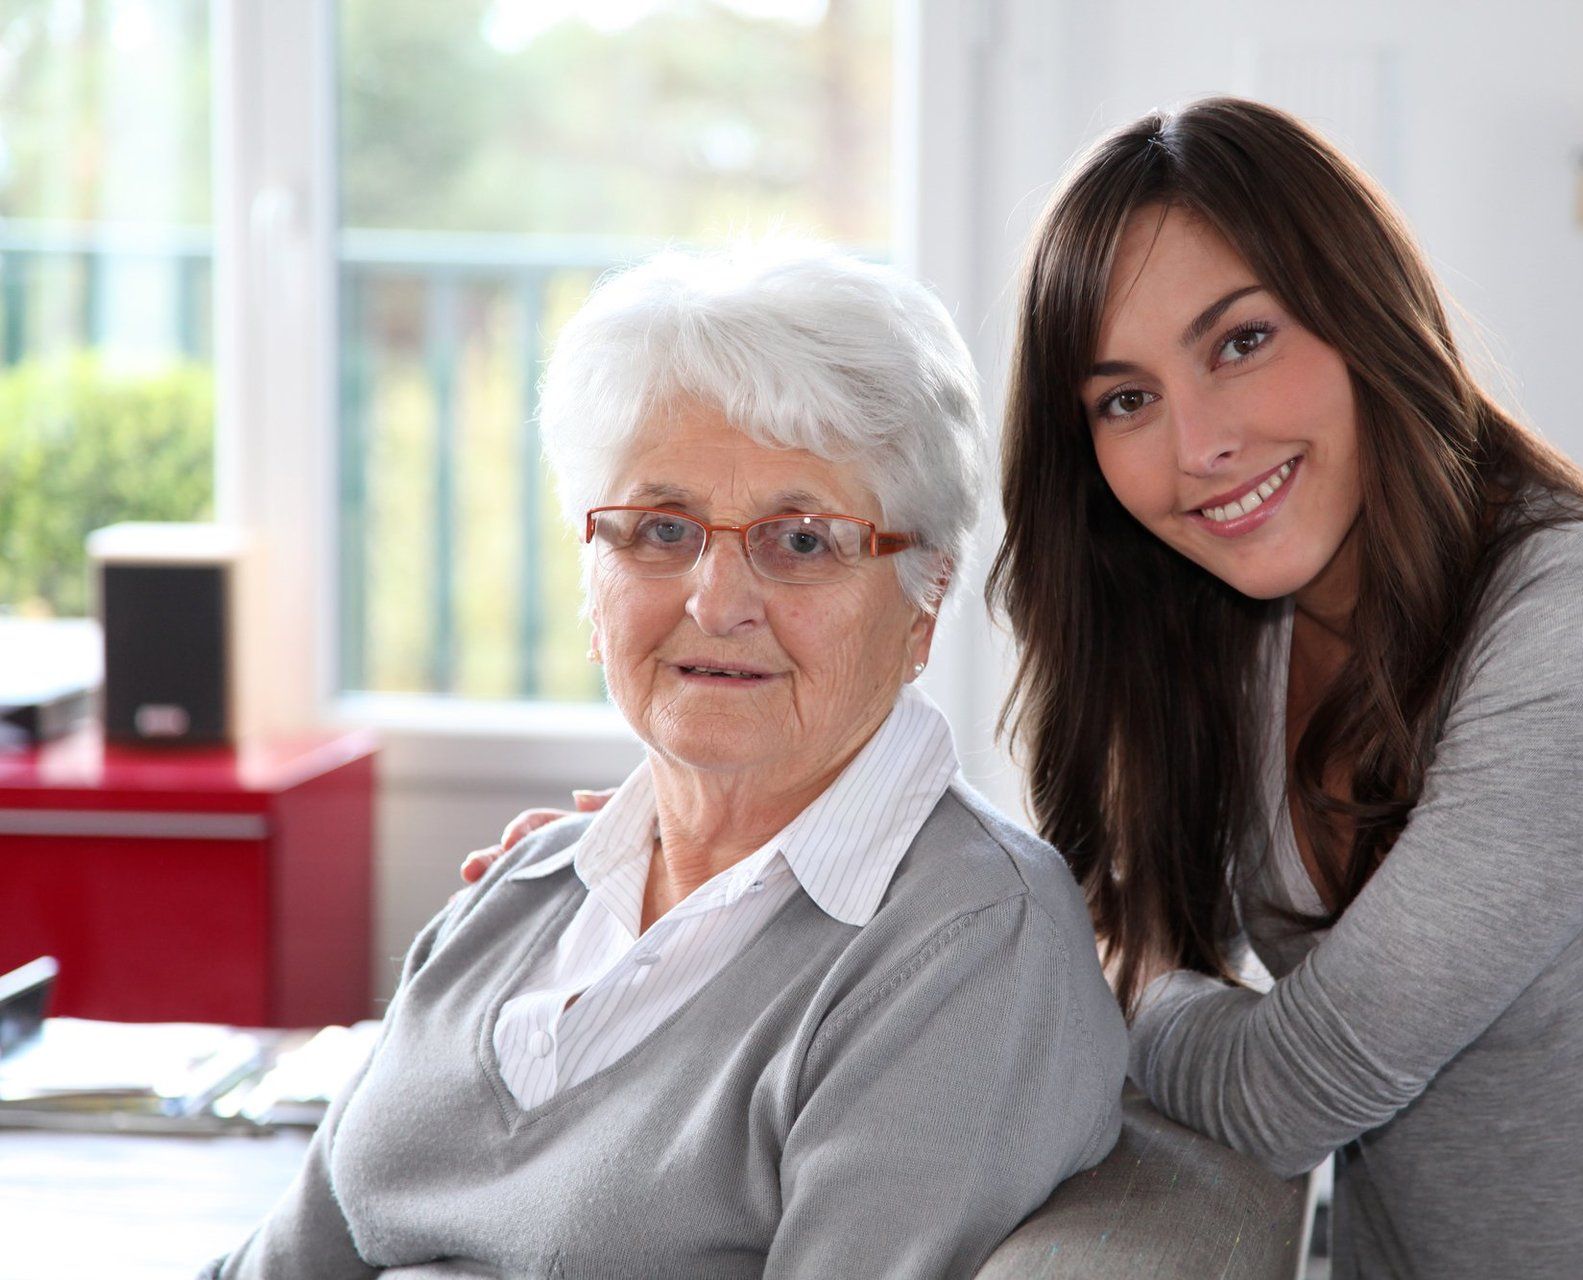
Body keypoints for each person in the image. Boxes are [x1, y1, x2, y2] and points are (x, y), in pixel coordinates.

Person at [476, 99, 1583, 1279]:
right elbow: (1068, 914)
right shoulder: (1241, 628)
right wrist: (723, 864)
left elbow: (1288, 1086)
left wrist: (1086, 958)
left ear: (1363, 315)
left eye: (1241, 341)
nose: (1198, 444)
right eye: (1125, 398)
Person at [208, 244, 1126, 1280]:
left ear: (925, 600)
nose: (715, 600)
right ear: (591, 582)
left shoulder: (968, 949)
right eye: (659, 528)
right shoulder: (515, 895)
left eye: (802, 540)